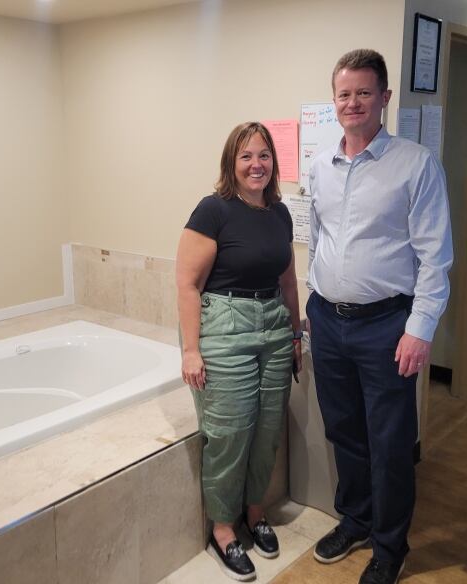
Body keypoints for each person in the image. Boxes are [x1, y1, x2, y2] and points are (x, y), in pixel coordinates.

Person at [306, 49, 453, 584]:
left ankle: (390, 548)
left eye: (364, 93)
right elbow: (317, 239)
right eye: (344, 94)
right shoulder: (320, 166)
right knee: (344, 429)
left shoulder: (415, 164)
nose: (353, 103)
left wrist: (419, 329)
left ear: (384, 98)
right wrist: (311, 302)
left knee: (390, 441)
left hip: (386, 326)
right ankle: (357, 519)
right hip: (327, 319)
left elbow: (436, 257)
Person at [176, 121, 303, 581]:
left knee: (268, 428)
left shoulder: (280, 214)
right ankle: (224, 529)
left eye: (264, 156)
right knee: (230, 431)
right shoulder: (214, 211)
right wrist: (192, 350)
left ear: (274, 163)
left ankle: (255, 511)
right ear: (232, 162)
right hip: (224, 328)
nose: (256, 165)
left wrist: (294, 334)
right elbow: (187, 284)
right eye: (246, 156)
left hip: (272, 324)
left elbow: (288, 279)